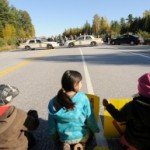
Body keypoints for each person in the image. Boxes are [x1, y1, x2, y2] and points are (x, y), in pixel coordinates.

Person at [48, 70, 99, 150]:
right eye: (80, 82)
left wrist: (54, 138)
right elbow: (90, 118)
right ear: (75, 85)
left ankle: (66, 145)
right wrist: (95, 130)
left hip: (63, 136)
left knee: (62, 139)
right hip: (80, 135)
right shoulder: (83, 98)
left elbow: (52, 124)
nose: (82, 84)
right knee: (89, 133)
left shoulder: (53, 101)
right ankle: (80, 144)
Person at [103, 72, 150, 150]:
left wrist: (108, 106)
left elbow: (119, 117)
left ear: (140, 89)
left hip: (133, 142)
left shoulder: (132, 105)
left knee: (123, 139)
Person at [0, 84, 39, 150]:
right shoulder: (18, 114)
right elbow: (34, 125)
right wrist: (33, 114)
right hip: (16, 147)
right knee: (29, 136)